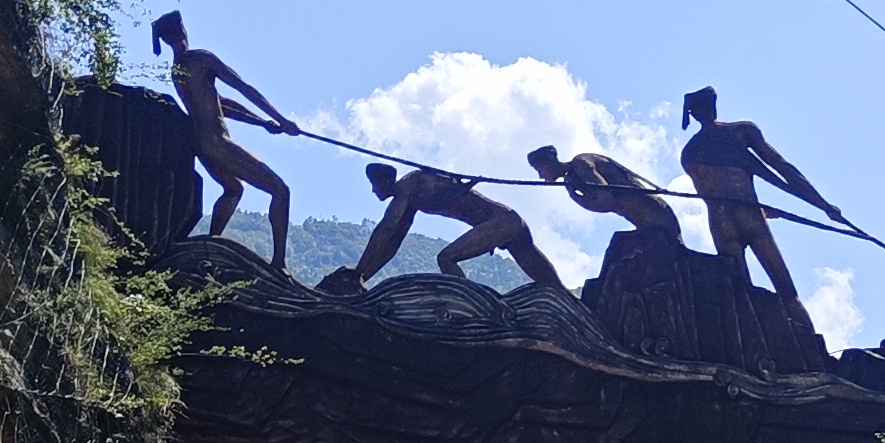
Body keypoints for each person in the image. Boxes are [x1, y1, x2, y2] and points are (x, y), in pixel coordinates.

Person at [152, 10, 298, 266]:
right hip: (217, 143)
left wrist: (263, 123)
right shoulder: (200, 59)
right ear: (183, 30)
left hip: (202, 145)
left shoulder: (178, 71)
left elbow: (221, 105)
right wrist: (281, 119)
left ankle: (212, 246)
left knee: (233, 189)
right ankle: (279, 264)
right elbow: (243, 87)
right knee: (280, 191)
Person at [677, 87, 841, 300]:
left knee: (744, 295)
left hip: (722, 221)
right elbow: (783, 169)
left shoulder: (690, 152)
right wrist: (824, 205)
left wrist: (823, 206)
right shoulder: (739, 132)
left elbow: (714, 194)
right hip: (747, 216)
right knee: (783, 293)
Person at [340, 163, 565, 292]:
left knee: (446, 259)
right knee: (553, 287)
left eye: (374, 185)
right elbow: (391, 244)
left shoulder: (408, 187)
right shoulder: (410, 198)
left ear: (384, 182)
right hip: (508, 223)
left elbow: (386, 229)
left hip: (503, 224)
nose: (373, 191)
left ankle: (472, 308)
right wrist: (362, 276)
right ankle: (575, 307)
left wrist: (359, 271)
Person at [526, 143, 683, 248]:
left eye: (540, 169)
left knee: (619, 247)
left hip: (657, 218)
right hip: (647, 224)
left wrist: (574, 196)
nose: (541, 176)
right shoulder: (572, 177)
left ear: (550, 162)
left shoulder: (581, 163)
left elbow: (606, 200)